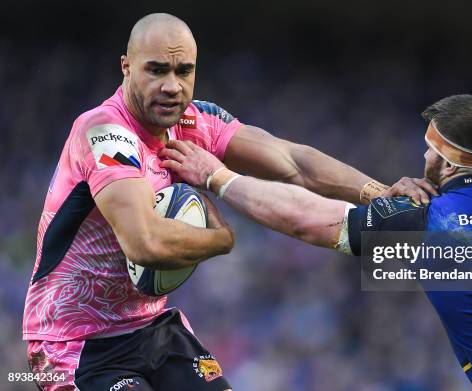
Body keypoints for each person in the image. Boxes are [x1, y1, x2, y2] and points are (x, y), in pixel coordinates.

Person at [22, 12, 431, 391]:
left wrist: (379, 192)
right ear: (126, 67)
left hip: (152, 328)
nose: (172, 86)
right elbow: (144, 244)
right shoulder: (105, 133)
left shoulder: (191, 121)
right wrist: (222, 238)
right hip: (71, 343)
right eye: (157, 70)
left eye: (184, 71)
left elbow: (293, 162)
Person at [163, 94, 472, 390]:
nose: (422, 156)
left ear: (448, 160)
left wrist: (217, 177)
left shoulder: (430, 219)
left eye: (430, 150)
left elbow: (304, 220)